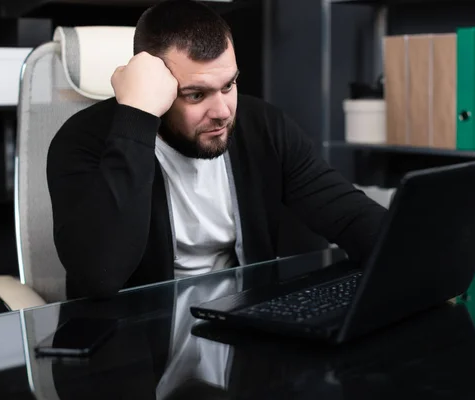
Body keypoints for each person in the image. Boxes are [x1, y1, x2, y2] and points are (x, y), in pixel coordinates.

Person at [46, 0, 387, 300]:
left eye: (229, 85)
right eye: (196, 95)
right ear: (157, 87)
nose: (222, 111)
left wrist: (422, 257)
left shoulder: (263, 126)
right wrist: (137, 117)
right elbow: (100, 275)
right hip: (136, 345)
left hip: (240, 326)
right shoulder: (82, 140)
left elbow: (351, 216)